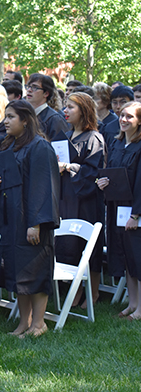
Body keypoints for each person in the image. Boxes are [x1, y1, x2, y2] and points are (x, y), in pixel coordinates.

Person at [0, 99, 60, 337]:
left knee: (35, 271)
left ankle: (39, 323)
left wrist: (36, 224)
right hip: (12, 220)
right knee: (19, 272)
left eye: (10, 117)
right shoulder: (11, 146)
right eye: (5, 116)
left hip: (31, 222)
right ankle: (23, 322)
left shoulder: (40, 147)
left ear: (25, 120)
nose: (5, 121)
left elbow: (43, 188)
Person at [55, 92, 106, 308]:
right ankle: (76, 290)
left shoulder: (94, 138)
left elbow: (93, 170)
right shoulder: (66, 136)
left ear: (84, 111)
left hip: (86, 199)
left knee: (87, 244)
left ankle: (92, 292)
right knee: (70, 243)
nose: (65, 111)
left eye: (71, 107)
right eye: (65, 107)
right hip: (67, 196)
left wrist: (68, 167)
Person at [97, 101, 141, 320]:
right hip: (117, 208)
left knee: (138, 257)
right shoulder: (116, 144)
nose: (123, 120)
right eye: (122, 115)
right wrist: (104, 182)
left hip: (134, 211)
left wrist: (136, 214)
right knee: (126, 257)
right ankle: (132, 304)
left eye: (130, 117)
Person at [25, 73, 69, 140]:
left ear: (46, 93)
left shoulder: (55, 119)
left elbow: (60, 148)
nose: (29, 90)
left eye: (34, 87)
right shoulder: (23, 114)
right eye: (28, 86)